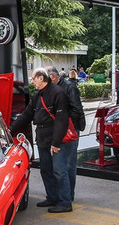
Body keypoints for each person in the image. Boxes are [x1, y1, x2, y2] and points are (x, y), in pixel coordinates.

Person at [9, 67, 73, 213]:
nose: (32, 81)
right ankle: (52, 197)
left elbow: (61, 120)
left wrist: (56, 143)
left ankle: (64, 202)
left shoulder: (58, 93)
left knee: (59, 171)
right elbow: (26, 115)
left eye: (33, 78)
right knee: (46, 170)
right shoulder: (38, 95)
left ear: (41, 78)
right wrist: (10, 129)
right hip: (43, 137)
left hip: (55, 139)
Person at [47, 66, 84, 202]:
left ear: (53, 77)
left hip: (70, 130)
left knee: (68, 164)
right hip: (60, 129)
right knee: (60, 165)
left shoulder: (69, 87)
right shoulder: (54, 87)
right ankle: (63, 195)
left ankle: (68, 196)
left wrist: (63, 121)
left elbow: (77, 109)